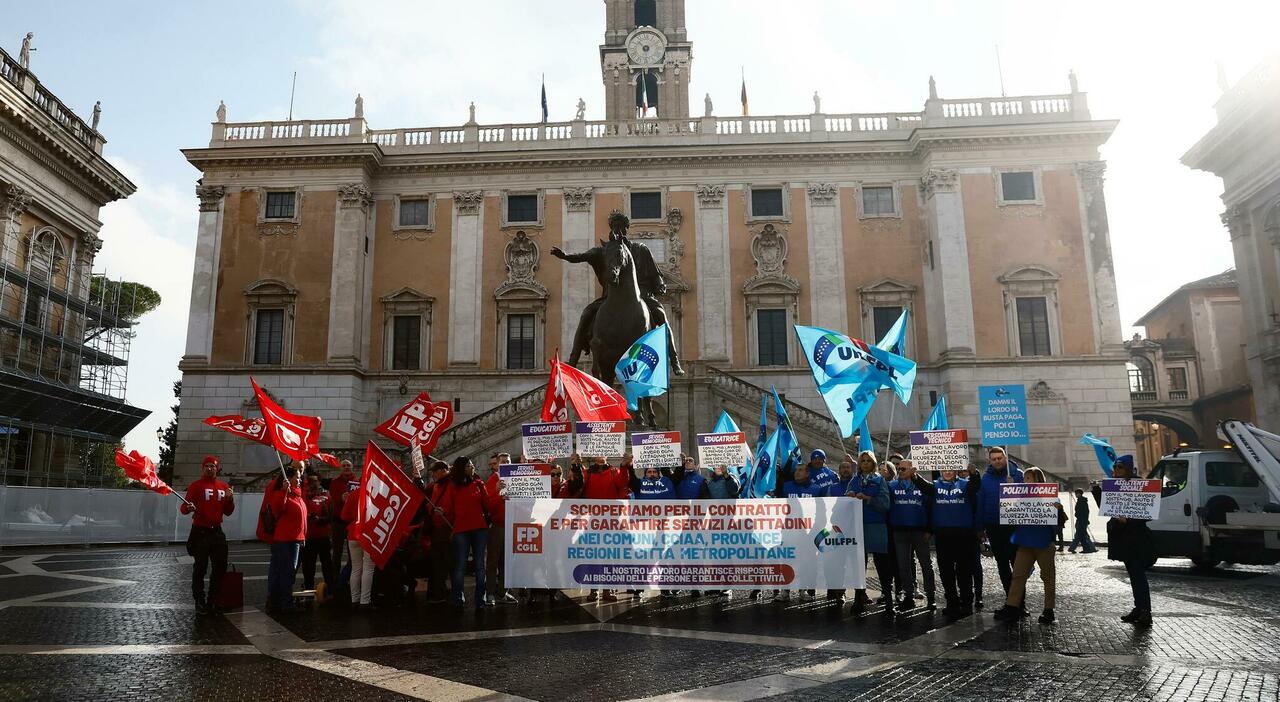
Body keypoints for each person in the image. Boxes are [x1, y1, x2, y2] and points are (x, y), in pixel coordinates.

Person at [1095, 456, 1155, 626]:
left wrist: (1128, 520)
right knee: (1134, 576)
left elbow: (1145, 513)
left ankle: (1145, 612)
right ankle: (1139, 608)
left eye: (1120, 467)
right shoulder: (1114, 485)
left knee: (1138, 576)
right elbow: (1107, 507)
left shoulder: (1139, 485)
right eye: (1115, 467)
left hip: (1136, 539)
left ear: (1128, 469)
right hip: (1123, 539)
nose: (1116, 470)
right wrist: (1096, 490)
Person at [995, 467, 1057, 624]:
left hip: (1043, 542)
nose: (1025, 481)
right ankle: (1012, 606)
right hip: (1025, 542)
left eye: (1028, 478)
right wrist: (1009, 494)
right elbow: (1008, 513)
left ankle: (1049, 610)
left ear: (1037, 479)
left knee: (1048, 577)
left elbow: (1059, 519)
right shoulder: (1020, 495)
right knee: (1018, 575)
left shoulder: (1049, 495)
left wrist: (1059, 509)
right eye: (1025, 478)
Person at [441, 455, 498, 610]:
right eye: (469, 465)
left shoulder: (479, 483)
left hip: (480, 529)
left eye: (472, 465)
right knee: (460, 565)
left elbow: (488, 505)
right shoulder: (452, 486)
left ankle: (481, 598)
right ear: (462, 468)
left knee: (480, 564)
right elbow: (448, 508)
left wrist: (499, 495)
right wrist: (442, 511)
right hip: (461, 530)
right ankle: (458, 598)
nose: (472, 467)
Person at [180, 455, 235, 614]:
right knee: (200, 567)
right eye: (207, 466)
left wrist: (230, 500)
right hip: (200, 531)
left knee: (220, 566)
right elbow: (184, 508)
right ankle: (199, 600)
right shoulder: (196, 486)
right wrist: (188, 508)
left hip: (217, 531)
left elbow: (229, 512)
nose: (210, 469)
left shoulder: (223, 487)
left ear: (217, 469)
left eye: (212, 466)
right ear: (203, 468)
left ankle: (213, 599)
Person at [846, 451, 893, 613]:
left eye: (868, 461)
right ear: (859, 464)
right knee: (859, 565)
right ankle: (858, 598)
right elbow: (844, 504)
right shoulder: (854, 480)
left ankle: (888, 598)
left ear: (873, 463)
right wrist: (849, 497)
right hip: (858, 526)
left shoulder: (879, 480)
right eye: (862, 461)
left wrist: (868, 499)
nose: (865, 463)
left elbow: (885, 504)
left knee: (882, 564)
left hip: (876, 525)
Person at [932, 464, 981, 616]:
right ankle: (951, 601)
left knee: (964, 571)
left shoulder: (965, 484)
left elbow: (975, 486)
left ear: (956, 471)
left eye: (950, 469)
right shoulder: (934, 485)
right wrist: (914, 476)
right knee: (946, 571)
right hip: (943, 535)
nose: (947, 472)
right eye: (944, 469)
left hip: (963, 535)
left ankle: (967, 602)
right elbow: (923, 487)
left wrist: (974, 473)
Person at [889, 458, 936, 611]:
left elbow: (931, 509)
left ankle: (931, 596)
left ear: (912, 470)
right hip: (900, 531)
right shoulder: (892, 486)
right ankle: (908, 596)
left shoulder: (922, 486)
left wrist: (929, 530)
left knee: (926, 565)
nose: (900, 471)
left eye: (903, 469)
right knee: (903, 566)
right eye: (899, 468)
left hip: (920, 531)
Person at [977, 447, 1024, 595]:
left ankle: (1019, 602)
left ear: (1005, 457)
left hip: (1014, 526)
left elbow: (1029, 499)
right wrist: (980, 527)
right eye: (994, 459)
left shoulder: (1018, 475)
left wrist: (1014, 486)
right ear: (990, 461)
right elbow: (981, 502)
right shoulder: (985, 478)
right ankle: (1009, 599)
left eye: (1000, 458)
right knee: (1002, 565)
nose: (997, 461)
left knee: (1017, 565)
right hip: (993, 526)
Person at [266, 463, 307, 613]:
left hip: (295, 540)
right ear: (288, 479)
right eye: (297, 477)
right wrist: (284, 491)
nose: (300, 480)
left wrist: (303, 537)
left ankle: (277, 600)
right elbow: (277, 509)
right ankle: (286, 603)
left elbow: (302, 519)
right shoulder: (281, 493)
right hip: (284, 540)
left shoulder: (297, 495)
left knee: (285, 571)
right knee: (287, 572)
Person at [485, 453, 517, 605]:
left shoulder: (516, 479)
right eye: (503, 462)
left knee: (507, 562)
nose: (506, 464)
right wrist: (498, 494)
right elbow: (487, 505)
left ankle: (502, 593)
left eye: (508, 462)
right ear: (497, 465)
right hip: (498, 525)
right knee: (493, 561)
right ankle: (490, 593)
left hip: (512, 525)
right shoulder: (492, 480)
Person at [340, 474, 375, 609]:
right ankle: (365, 601)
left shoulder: (354, 494)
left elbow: (344, 516)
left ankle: (354, 599)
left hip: (353, 534)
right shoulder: (375, 494)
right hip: (368, 533)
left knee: (356, 568)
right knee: (368, 568)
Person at [299, 474, 335, 592]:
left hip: (324, 535)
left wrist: (324, 519)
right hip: (309, 536)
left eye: (315, 481)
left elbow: (331, 513)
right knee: (308, 566)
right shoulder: (304, 495)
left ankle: (330, 587)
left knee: (327, 564)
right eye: (310, 481)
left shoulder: (327, 494)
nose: (312, 483)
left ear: (319, 481)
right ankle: (309, 587)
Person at [327, 459, 356, 573]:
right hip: (338, 521)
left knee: (352, 553)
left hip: (351, 522)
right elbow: (333, 500)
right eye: (343, 465)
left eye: (348, 465)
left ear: (352, 467)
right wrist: (341, 499)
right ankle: (335, 578)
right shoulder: (335, 482)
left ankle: (348, 578)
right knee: (337, 552)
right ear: (340, 468)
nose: (346, 467)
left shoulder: (356, 482)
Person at [1069, 488, 1098, 553]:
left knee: (1080, 535)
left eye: (1076, 493)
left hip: (1081, 521)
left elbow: (1084, 512)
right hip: (1082, 521)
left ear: (1079, 494)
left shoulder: (1081, 501)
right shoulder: (1081, 501)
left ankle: (1085, 549)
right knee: (1084, 535)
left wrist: (1083, 519)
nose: (1075, 495)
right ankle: (1092, 548)